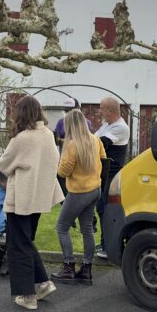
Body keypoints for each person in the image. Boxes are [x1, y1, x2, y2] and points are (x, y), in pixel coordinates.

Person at [0, 96, 64, 310]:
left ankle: (28, 295)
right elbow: (55, 161)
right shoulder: (47, 134)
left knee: (18, 245)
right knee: (25, 241)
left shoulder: (22, 138)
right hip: (40, 196)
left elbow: (3, 164)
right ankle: (43, 282)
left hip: (22, 198)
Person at [52, 109, 107, 285]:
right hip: (95, 189)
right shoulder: (95, 139)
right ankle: (86, 270)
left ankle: (68, 266)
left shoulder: (71, 145)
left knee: (61, 226)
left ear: (69, 125)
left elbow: (63, 172)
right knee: (87, 229)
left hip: (78, 192)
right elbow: (104, 159)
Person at [93, 96, 130, 260]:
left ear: (109, 110)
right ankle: (105, 243)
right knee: (102, 207)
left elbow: (99, 143)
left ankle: (109, 247)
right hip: (103, 173)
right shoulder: (107, 125)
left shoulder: (121, 127)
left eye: (101, 108)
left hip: (112, 174)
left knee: (107, 209)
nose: (99, 111)